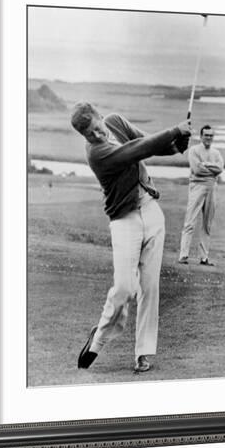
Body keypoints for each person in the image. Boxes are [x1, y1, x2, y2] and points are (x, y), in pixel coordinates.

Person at [70, 102, 191, 373]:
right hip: (124, 220)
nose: (98, 135)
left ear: (102, 117)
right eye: (90, 134)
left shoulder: (115, 121)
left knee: (150, 287)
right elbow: (135, 151)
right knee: (124, 287)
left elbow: (145, 141)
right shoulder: (97, 154)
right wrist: (173, 130)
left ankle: (143, 354)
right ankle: (98, 339)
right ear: (84, 137)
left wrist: (175, 145)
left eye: (98, 128)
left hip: (150, 210)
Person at [178, 125, 224, 266]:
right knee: (190, 221)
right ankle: (183, 255)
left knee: (207, 224)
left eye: (211, 135)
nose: (208, 138)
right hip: (197, 186)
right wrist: (212, 169)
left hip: (212, 188)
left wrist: (207, 165)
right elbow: (197, 170)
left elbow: (220, 168)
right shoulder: (194, 150)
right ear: (201, 136)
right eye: (206, 135)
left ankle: (204, 257)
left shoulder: (216, 152)